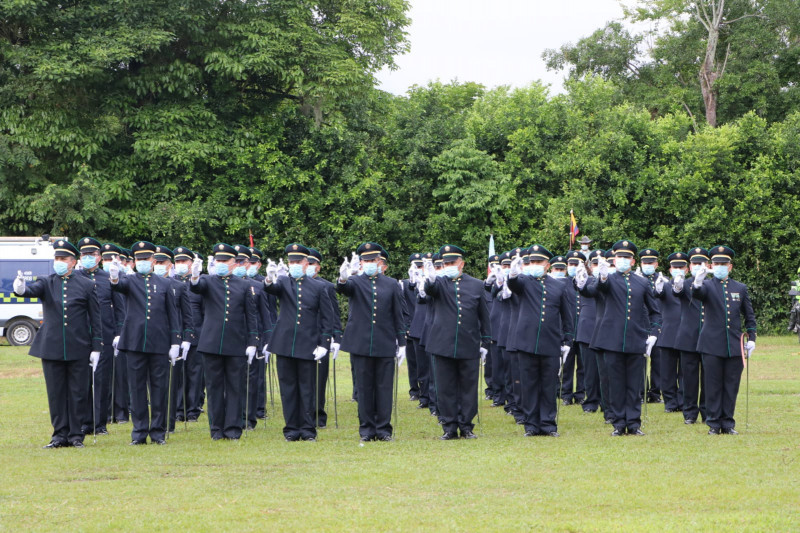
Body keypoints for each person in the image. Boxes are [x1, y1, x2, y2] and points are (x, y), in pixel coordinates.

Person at [13, 239, 102, 448]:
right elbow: (31, 291)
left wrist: (97, 347)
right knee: (56, 393)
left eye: (63, 259)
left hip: (79, 347)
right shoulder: (47, 281)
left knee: (78, 393)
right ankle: (59, 435)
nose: (59, 262)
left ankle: (75, 435)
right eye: (56, 258)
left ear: (73, 262)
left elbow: (95, 318)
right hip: (52, 347)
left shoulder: (87, 285)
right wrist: (20, 288)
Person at [575, 240, 661, 436]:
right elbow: (593, 290)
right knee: (615, 383)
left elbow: (655, 312)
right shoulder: (607, 279)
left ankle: (634, 423)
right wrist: (601, 278)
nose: (623, 260)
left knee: (634, 384)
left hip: (635, 339)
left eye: (627, 257)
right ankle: (618, 423)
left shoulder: (642, 282)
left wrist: (654, 334)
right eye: (619, 257)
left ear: (633, 261)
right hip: (611, 340)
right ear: (614, 259)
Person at [109, 241, 181, 445]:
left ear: (152, 260)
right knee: (137, 389)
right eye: (139, 259)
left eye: (146, 259)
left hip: (159, 343)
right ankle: (139, 432)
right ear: (134, 262)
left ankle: (158, 431)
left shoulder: (165, 283)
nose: (142, 262)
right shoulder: (129, 281)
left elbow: (172, 315)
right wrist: (114, 276)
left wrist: (175, 340)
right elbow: (117, 286)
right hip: (134, 343)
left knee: (159, 389)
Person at [419, 245, 491, 440]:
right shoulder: (439, 283)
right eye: (446, 263)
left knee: (468, 387)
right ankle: (449, 426)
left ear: (462, 264)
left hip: (468, 342)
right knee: (445, 387)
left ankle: (466, 425)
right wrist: (430, 279)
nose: (449, 266)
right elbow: (429, 290)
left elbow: (484, 314)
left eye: (452, 263)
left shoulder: (476, 284)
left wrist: (486, 341)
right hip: (442, 344)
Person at [264, 243, 334, 442]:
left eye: (297, 261)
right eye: (291, 262)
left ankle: (308, 429)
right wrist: (269, 278)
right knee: (288, 389)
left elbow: (327, 319)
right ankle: (291, 429)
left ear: (306, 263)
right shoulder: (284, 282)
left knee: (307, 388)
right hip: (284, 344)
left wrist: (324, 344)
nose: (293, 264)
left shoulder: (319, 287)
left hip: (308, 344)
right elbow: (271, 289)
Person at [188, 244, 258, 440]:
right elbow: (196, 287)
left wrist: (253, 341)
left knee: (236, 387)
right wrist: (194, 275)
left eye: (224, 261)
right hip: (211, 343)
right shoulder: (208, 281)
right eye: (218, 260)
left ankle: (233, 429)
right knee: (214, 388)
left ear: (234, 263)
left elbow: (251, 315)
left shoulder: (244, 285)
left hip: (236, 343)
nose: (220, 264)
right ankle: (217, 429)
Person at [337, 243, 406, 441]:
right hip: (361, 343)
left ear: (379, 261)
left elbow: (397, 314)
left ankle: (383, 429)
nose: (369, 263)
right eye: (365, 260)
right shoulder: (355, 282)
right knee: (365, 389)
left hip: (384, 342)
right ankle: (366, 430)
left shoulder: (391, 284)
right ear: (360, 262)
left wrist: (401, 342)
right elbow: (343, 288)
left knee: (384, 388)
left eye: (372, 260)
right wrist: (343, 277)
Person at [507, 246, 575, 437]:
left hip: (550, 342)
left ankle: (548, 424)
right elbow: (514, 286)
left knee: (548, 384)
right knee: (528, 385)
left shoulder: (558, 286)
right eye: (532, 262)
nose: (534, 265)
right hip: (526, 342)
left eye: (538, 262)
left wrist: (567, 340)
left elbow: (566, 315)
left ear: (547, 265)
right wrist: (512, 274)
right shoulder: (524, 281)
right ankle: (531, 425)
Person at [691, 245, 756, 435]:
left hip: (734, 345)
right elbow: (697, 295)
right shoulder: (707, 285)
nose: (720, 266)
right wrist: (697, 283)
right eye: (717, 263)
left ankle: (728, 423)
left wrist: (752, 337)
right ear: (711, 265)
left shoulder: (740, 288)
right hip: (711, 344)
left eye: (723, 264)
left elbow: (749, 316)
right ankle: (713, 423)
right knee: (712, 385)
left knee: (731, 385)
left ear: (730, 266)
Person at [76, 237, 125, 436]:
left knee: (101, 379)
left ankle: (99, 422)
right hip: (80, 335)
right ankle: (81, 421)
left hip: (104, 334)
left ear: (99, 257)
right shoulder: (76, 278)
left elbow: (120, 309)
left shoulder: (108, 278)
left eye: (92, 255)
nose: (88, 258)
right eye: (85, 255)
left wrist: (119, 333)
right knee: (80, 379)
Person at [154, 246, 195, 434]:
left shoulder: (177, 286)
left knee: (171, 383)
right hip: (154, 338)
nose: (159, 266)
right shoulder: (144, 284)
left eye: (163, 263)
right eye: (157, 262)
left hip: (172, 339)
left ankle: (169, 422)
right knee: (155, 385)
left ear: (169, 265)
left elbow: (187, 316)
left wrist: (185, 338)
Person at [306, 247, 341, 429]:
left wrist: (336, 338)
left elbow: (334, 314)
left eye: (312, 264)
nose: (308, 267)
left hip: (321, 338)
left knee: (319, 380)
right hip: (304, 337)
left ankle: (318, 416)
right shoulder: (295, 284)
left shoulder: (326, 286)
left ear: (318, 267)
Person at [672, 248, 708, 424]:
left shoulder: (712, 284)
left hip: (708, 337)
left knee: (709, 378)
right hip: (688, 338)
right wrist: (677, 285)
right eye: (694, 263)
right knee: (689, 378)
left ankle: (707, 412)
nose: (697, 267)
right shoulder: (684, 284)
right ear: (690, 266)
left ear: (707, 265)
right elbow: (677, 293)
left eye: (701, 263)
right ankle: (690, 413)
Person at [172, 247, 205, 423]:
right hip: (177, 334)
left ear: (192, 263)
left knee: (194, 374)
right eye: (177, 261)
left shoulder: (199, 283)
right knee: (177, 374)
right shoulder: (171, 283)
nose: (181, 265)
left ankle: (192, 409)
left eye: (184, 261)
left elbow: (206, 312)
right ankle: (178, 409)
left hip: (197, 335)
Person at [654, 252, 687, 413]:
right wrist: (657, 288)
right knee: (667, 372)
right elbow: (657, 295)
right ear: (670, 269)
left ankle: (683, 401)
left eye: (681, 267)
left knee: (685, 372)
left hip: (687, 334)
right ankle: (670, 402)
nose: (678, 270)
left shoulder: (692, 286)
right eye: (675, 267)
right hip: (668, 334)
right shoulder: (665, 286)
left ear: (686, 269)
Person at [101, 243, 130, 424]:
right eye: (105, 258)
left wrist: (120, 332)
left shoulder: (124, 279)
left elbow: (122, 309)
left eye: (112, 259)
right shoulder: (101, 278)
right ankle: (107, 412)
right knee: (104, 375)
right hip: (103, 331)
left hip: (119, 331)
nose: (108, 262)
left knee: (120, 375)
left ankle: (120, 412)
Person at [552, 254, 584, 406]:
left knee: (583, 366)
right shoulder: (561, 284)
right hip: (567, 331)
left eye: (576, 264)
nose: (573, 267)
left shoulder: (585, 281)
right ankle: (566, 394)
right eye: (570, 264)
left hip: (583, 330)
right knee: (567, 365)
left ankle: (580, 394)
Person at [639, 248, 663, 404]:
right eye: (644, 262)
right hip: (640, 324)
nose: (647, 265)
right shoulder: (634, 279)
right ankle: (640, 392)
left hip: (657, 325)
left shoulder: (663, 280)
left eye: (650, 262)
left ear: (656, 264)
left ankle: (655, 392)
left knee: (658, 361)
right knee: (639, 361)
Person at [401, 254, 424, 402]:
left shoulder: (427, 283)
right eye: (415, 266)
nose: (418, 269)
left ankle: (425, 389)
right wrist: (406, 326)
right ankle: (414, 390)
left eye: (420, 266)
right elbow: (402, 308)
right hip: (410, 327)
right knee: (412, 361)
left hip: (425, 327)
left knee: (424, 362)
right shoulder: (403, 284)